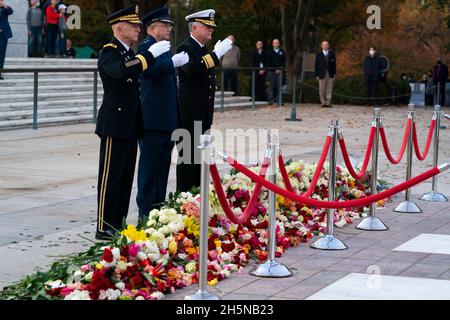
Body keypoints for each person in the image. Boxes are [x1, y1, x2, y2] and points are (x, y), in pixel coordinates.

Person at [94, 5, 171, 240]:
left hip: (130, 124)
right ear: (119, 28)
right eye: (132, 25)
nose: (138, 29)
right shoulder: (110, 52)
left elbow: (133, 67)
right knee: (110, 177)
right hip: (114, 123)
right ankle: (103, 225)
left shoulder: (129, 54)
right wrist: (148, 55)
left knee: (126, 177)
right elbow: (121, 71)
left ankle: (117, 222)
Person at [136, 7, 189, 219]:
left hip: (166, 119)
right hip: (152, 119)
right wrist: (171, 63)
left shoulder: (163, 47)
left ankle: (157, 209)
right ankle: (145, 212)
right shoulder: (146, 46)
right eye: (165, 25)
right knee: (149, 170)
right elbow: (146, 69)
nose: (169, 29)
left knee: (161, 169)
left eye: (169, 25)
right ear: (153, 28)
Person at [176, 9, 232, 192]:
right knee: (188, 163)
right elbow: (193, 69)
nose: (211, 30)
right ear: (195, 27)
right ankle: (184, 201)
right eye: (207, 27)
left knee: (199, 162)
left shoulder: (201, 49)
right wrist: (216, 55)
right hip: (190, 116)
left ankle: (197, 200)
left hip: (202, 115)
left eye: (211, 27)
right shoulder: (185, 47)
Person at [314, 40, 336, 108]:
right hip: (321, 73)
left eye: (326, 45)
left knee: (329, 88)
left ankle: (328, 102)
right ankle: (323, 102)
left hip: (330, 73)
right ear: (322, 46)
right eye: (324, 45)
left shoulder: (332, 54)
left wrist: (334, 73)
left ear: (328, 46)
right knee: (322, 88)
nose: (325, 46)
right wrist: (316, 74)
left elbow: (334, 64)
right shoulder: (319, 54)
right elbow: (316, 65)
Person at [266, 38, 286, 105]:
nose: (276, 44)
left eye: (277, 43)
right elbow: (268, 62)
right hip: (271, 71)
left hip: (280, 71)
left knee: (279, 86)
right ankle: (270, 100)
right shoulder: (269, 52)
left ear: (279, 44)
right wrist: (274, 69)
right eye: (274, 43)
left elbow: (283, 62)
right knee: (271, 86)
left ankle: (279, 100)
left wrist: (279, 69)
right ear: (272, 44)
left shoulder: (282, 52)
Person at [0, 0, 12, 80]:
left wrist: (4, 5)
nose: (1, 1)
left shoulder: (4, 9)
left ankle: (0, 72)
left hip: (3, 35)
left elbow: (11, 11)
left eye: (2, 0)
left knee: (2, 54)